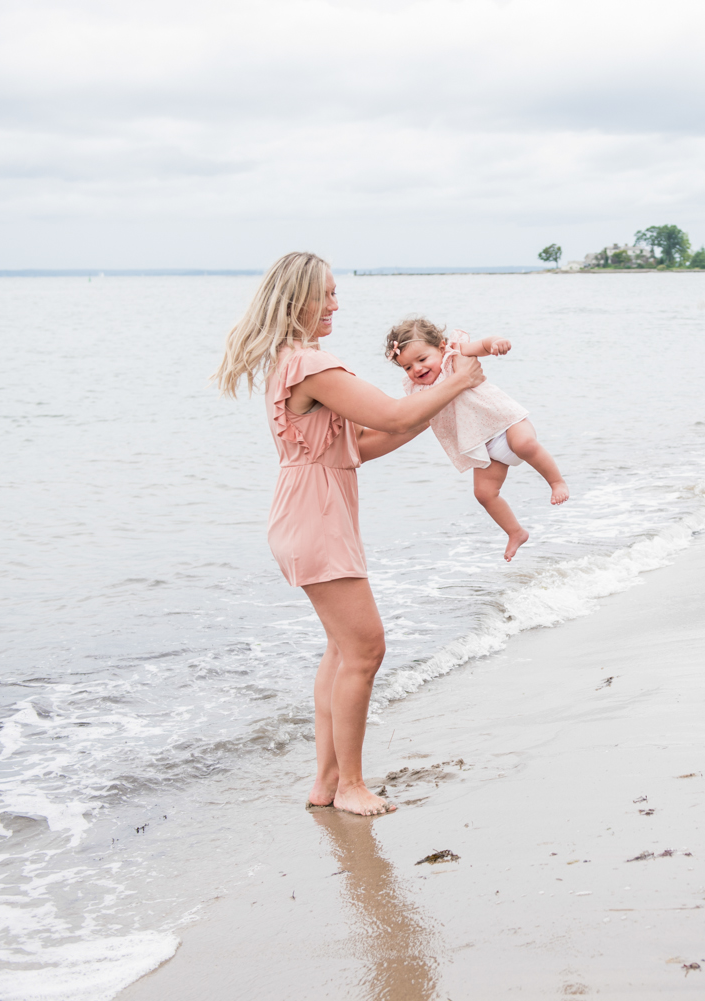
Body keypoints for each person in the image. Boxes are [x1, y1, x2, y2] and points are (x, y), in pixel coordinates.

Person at [213, 253, 485, 816]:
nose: (337, 305)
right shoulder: (309, 364)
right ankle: (350, 787)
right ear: (298, 301)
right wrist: (457, 381)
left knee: (341, 650)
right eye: (328, 294)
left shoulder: (293, 363)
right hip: (314, 513)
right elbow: (389, 416)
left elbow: (365, 442)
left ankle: (327, 783)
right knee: (365, 648)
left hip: (315, 506)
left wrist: (438, 400)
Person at [384, 318, 569, 561]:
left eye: (422, 359)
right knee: (483, 494)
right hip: (483, 447)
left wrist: (495, 343)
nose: (416, 370)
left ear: (440, 347)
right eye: (407, 367)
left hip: (506, 424)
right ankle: (515, 532)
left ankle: (556, 482)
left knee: (524, 445)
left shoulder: (453, 355)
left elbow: (481, 346)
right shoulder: (418, 390)